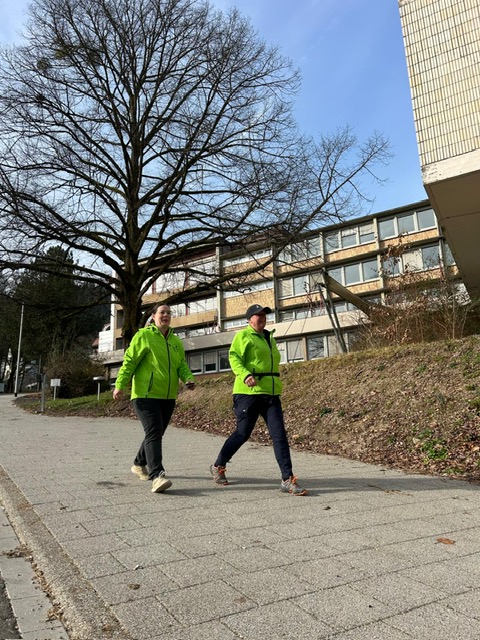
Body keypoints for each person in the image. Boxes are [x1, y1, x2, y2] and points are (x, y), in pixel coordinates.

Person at [210, 303, 307, 496]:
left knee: (279, 435)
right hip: (248, 392)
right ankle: (218, 465)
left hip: (271, 393)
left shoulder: (269, 337)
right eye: (257, 314)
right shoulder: (243, 336)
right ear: (249, 319)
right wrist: (245, 374)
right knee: (242, 433)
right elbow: (234, 358)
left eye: (264, 314)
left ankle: (287, 479)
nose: (262, 317)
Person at [113, 303, 195, 493]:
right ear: (153, 316)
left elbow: (181, 365)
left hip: (168, 396)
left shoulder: (175, 341)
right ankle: (157, 475)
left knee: (156, 433)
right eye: (162, 312)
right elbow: (130, 362)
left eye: (169, 313)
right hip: (145, 395)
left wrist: (188, 378)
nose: (166, 315)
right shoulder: (144, 336)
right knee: (154, 432)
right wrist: (120, 385)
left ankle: (138, 464)